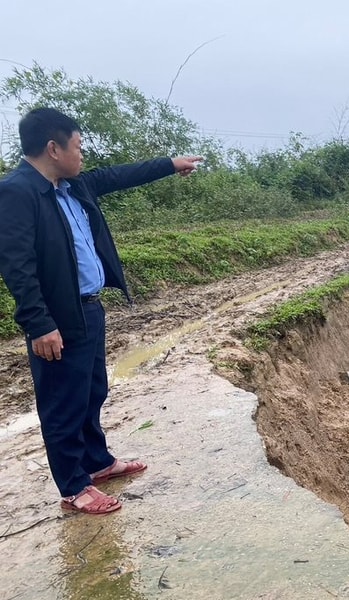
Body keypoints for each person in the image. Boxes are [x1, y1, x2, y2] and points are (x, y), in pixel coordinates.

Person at [0, 107, 203, 515]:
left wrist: (169, 164)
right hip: (58, 318)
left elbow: (118, 176)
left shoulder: (73, 186)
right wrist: (40, 325)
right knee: (63, 402)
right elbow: (16, 264)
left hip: (90, 309)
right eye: (77, 147)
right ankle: (74, 487)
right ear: (53, 148)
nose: (82, 155)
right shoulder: (18, 192)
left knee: (92, 390)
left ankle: (97, 462)